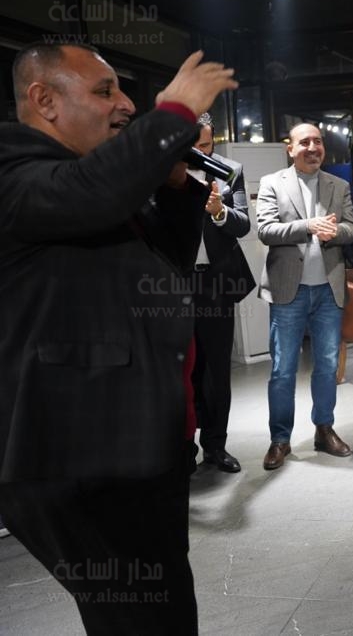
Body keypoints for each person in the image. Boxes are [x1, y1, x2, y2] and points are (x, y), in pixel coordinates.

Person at [0, 42, 236, 634]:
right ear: (44, 101)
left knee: (160, 609)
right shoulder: (15, 170)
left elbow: (168, 263)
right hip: (77, 454)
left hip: (135, 445)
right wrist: (174, 112)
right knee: (141, 618)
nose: (126, 104)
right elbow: (89, 192)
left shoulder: (93, 181)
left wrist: (176, 185)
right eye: (105, 91)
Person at [256, 123, 353, 469]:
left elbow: (352, 228)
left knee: (327, 366)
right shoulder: (272, 183)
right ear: (290, 148)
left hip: (329, 290)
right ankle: (280, 439)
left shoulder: (338, 185)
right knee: (282, 369)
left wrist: (334, 232)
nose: (313, 147)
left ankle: (324, 429)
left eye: (317, 141)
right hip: (289, 291)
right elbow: (266, 229)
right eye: (305, 142)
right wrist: (308, 226)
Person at [189, 115, 255, 472]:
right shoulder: (162, 170)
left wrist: (220, 212)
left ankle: (216, 446)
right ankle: (183, 449)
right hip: (175, 283)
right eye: (193, 146)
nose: (201, 153)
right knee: (182, 370)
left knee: (216, 369)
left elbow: (244, 224)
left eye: (206, 145)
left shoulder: (230, 170)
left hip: (216, 283)